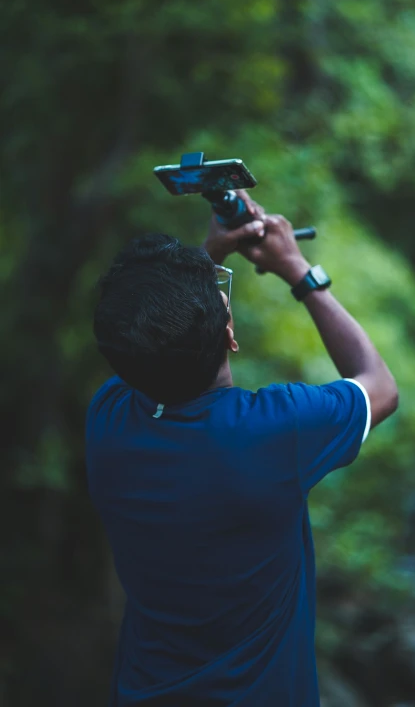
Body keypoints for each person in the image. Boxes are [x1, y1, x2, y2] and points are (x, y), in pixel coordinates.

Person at [86, 191, 398, 707]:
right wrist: (298, 270)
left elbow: (145, 339)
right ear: (230, 333)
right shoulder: (274, 432)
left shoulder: (108, 422)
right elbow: (379, 386)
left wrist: (203, 258)